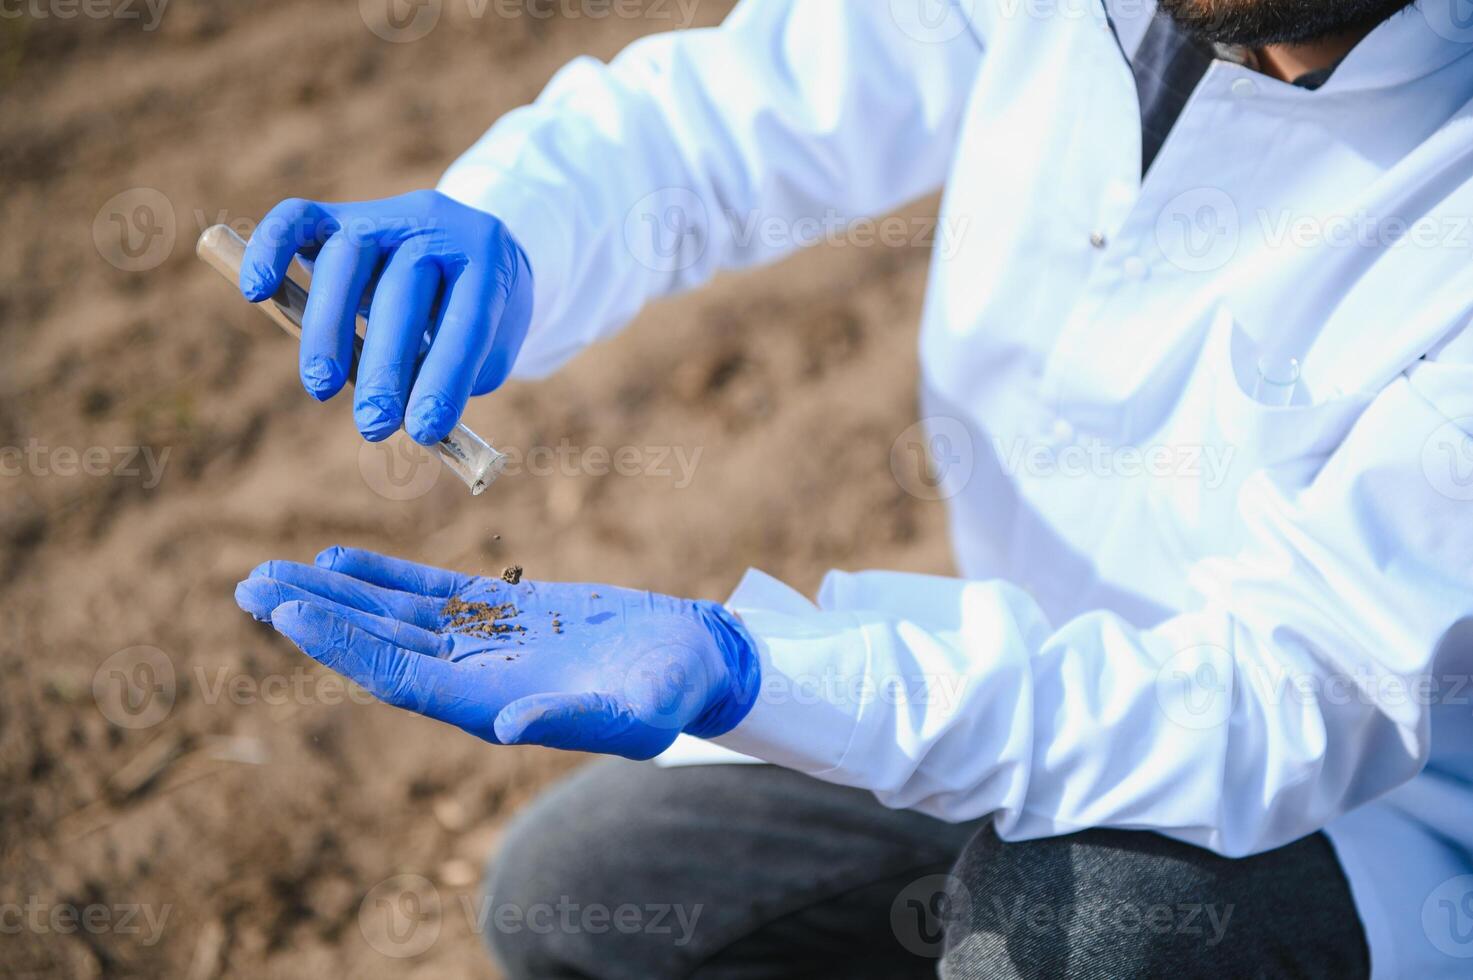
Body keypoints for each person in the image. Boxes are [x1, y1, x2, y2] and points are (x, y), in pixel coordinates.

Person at [232, 0, 1473, 975]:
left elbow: (1285, 699)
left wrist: (774, 671)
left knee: (1068, 937)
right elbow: (745, 110)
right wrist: (511, 227)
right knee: (578, 892)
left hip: (1367, 815)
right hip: (1024, 687)